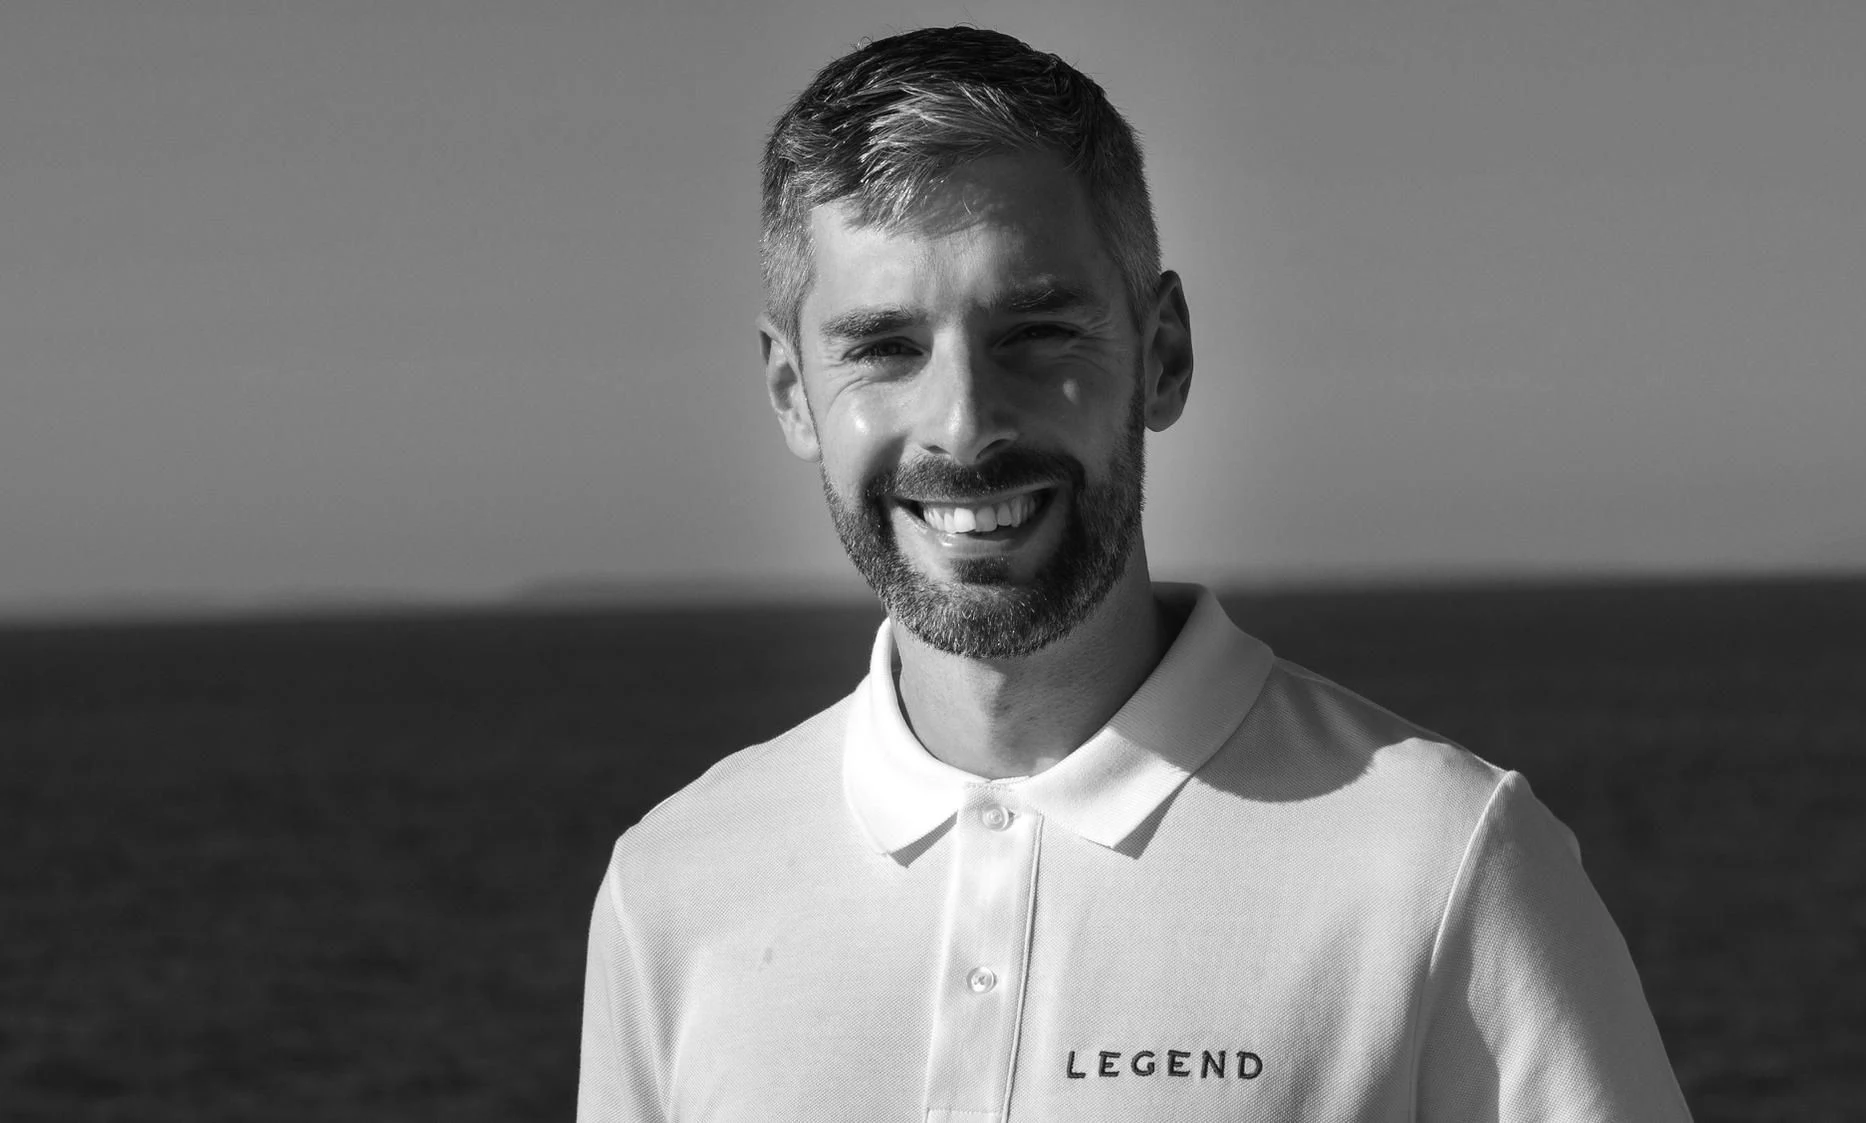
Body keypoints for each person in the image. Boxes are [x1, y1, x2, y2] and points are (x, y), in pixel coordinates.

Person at [579, 26, 1691, 1122]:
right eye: (884, 347)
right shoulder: (672, 890)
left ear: (1162, 355)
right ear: (791, 393)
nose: (963, 423)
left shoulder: (1446, 863)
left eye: (1036, 331)